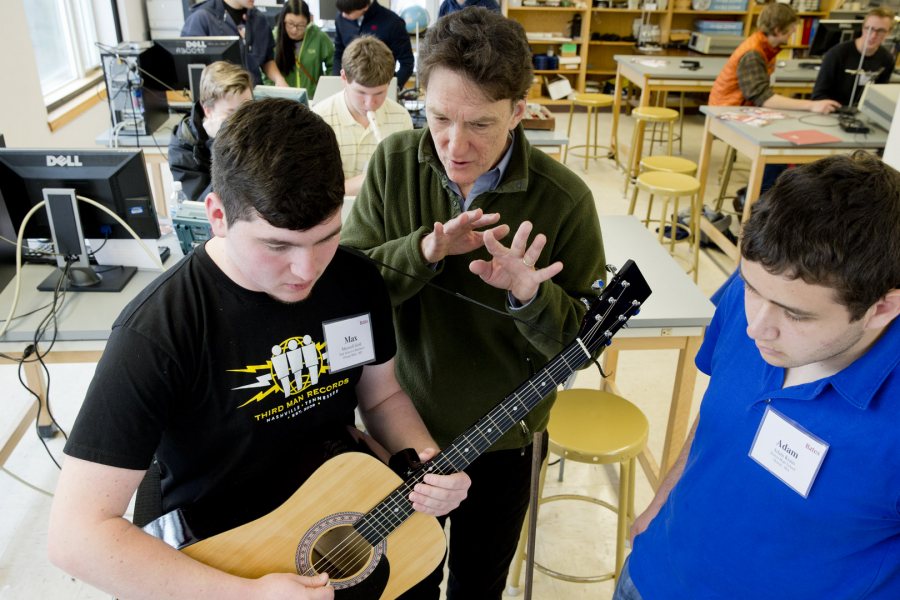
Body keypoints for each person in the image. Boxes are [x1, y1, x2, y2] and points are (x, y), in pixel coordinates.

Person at [47, 98, 471, 600]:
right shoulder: (158, 332)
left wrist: (419, 459)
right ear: (217, 215)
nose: (307, 270)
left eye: (327, 237)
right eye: (277, 246)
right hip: (221, 549)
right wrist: (245, 594)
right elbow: (76, 536)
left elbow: (381, 398)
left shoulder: (356, 280)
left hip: (331, 511)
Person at [341, 8, 606, 598]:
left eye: (481, 124)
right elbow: (349, 299)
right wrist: (426, 249)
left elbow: (582, 344)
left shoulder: (566, 200)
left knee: (478, 584)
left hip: (504, 441)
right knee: (405, 578)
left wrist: (530, 294)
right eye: (439, 118)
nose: (456, 146)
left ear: (518, 111)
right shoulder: (391, 165)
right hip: (401, 431)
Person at [614, 151, 900, 600]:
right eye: (750, 288)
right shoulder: (763, 288)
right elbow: (720, 414)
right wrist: (660, 501)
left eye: (795, 315)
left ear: (882, 307)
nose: (755, 328)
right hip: (652, 575)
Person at [313, 36, 413, 196]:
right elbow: (314, 191)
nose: (370, 103)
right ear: (344, 77)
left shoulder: (401, 117)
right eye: (361, 93)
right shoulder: (319, 119)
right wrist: (370, 179)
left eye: (379, 93)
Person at [710, 2, 839, 114]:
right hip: (727, 111)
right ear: (777, 30)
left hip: (739, 107)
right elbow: (763, 98)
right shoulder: (753, 54)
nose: (794, 31)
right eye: (791, 27)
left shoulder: (767, 47)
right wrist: (811, 105)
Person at [168, 61, 253, 202]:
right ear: (208, 111)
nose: (244, 120)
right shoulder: (183, 149)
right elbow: (205, 205)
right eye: (232, 113)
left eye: (248, 109)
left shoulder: (257, 123)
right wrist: (221, 145)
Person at [181, 0, 287, 86]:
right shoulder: (202, 18)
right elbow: (192, 68)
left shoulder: (259, 20)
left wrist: (278, 78)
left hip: (252, 98)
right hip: (220, 99)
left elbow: (267, 59)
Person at [812, 7, 896, 107]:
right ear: (862, 27)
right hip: (833, 112)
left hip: (863, 114)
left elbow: (880, 95)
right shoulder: (837, 54)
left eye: (881, 31)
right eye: (869, 28)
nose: (873, 35)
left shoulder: (886, 59)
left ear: (889, 33)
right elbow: (818, 95)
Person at [333, 0, 414, 89]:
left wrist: (392, 88)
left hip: (380, 85)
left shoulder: (393, 23)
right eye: (342, 11)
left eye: (348, 12)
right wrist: (337, 81)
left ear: (364, 7)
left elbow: (407, 63)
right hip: (349, 86)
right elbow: (338, 53)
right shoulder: (341, 18)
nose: (343, 15)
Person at [265, 0, 334, 99]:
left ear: (308, 22)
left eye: (301, 25)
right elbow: (265, 69)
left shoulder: (319, 37)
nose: (294, 30)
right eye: (290, 24)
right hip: (282, 100)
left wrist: (325, 90)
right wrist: (272, 92)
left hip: (311, 99)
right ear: (283, 20)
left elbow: (333, 64)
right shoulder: (274, 37)